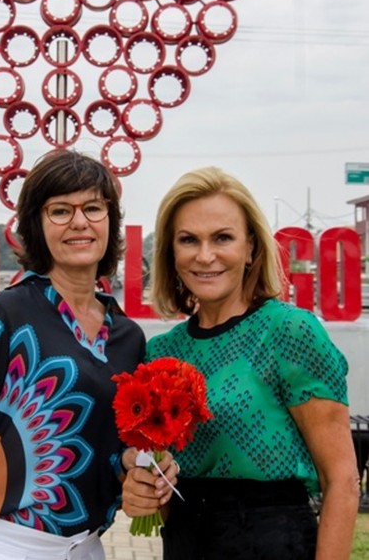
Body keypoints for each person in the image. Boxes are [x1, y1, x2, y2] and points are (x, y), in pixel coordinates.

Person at [0, 150, 175, 560]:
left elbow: (112, 453)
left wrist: (138, 471)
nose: (79, 222)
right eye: (60, 211)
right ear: (36, 224)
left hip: (84, 547)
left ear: (110, 220)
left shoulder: (126, 337)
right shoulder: (1, 317)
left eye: (93, 208)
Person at [121, 166, 360, 560]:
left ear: (251, 248)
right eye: (188, 240)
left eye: (222, 237)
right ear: (171, 253)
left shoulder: (289, 332)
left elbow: (342, 481)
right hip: (184, 545)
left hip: (273, 545)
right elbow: (160, 477)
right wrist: (141, 487)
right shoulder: (162, 353)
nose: (205, 255)